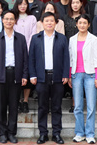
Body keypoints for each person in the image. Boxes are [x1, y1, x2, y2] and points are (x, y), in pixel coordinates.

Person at [29, 12, 70, 144]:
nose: (49, 23)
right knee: (42, 107)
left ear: (56, 23)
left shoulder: (62, 38)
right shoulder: (36, 38)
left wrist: (66, 74)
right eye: (46, 21)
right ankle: (43, 133)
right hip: (41, 77)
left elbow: (66, 58)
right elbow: (31, 58)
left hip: (57, 77)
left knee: (57, 107)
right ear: (42, 23)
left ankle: (56, 133)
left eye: (52, 21)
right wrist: (33, 74)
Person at [0, 10, 29, 144]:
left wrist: (24, 75)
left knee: (13, 106)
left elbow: (25, 59)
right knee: (1, 106)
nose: (9, 21)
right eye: (6, 19)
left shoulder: (21, 38)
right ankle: (2, 133)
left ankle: (12, 133)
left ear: (15, 21)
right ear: (2, 20)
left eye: (11, 19)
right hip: (1, 75)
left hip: (16, 74)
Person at [68, 14, 97, 145]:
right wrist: (70, 75)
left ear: (89, 25)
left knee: (91, 106)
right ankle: (79, 133)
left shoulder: (93, 39)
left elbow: (96, 58)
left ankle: (90, 134)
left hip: (90, 74)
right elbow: (71, 58)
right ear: (76, 24)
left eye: (84, 23)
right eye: (80, 23)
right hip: (76, 74)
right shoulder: (72, 39)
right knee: (77, 106)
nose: (82, 25)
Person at [13, 0, 37, 113]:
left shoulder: (32, 18)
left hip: (29, 51)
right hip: (15, 52)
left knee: (27, 76)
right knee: (17, 76)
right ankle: (18, 100)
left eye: (25, 4)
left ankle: (26, 101)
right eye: (20, 4)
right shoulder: (13, 18)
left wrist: (28, 49)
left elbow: (33, 34)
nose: (22, 6)